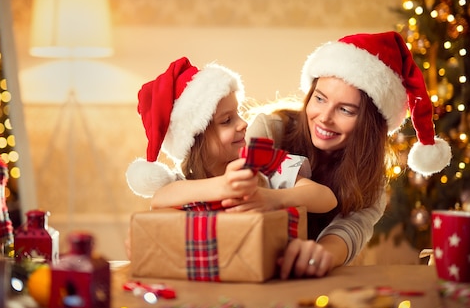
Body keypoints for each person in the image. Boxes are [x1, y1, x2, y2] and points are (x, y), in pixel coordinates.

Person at [233, 31, 452, 279]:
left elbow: (351, 230)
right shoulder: (270, 130)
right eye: (319, 98)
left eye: (345, 110)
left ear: (368, 124)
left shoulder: (370, 178)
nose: (325, 117)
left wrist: (318, 254)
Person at [125, 57, 338, 214]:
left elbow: (326, 198)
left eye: (238, 114)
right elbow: (160, 198)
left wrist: (273, 198)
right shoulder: (184, 185)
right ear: (196, 140)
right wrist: (223, 186)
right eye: (227, 120)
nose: (243, 123)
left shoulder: (262, 164)